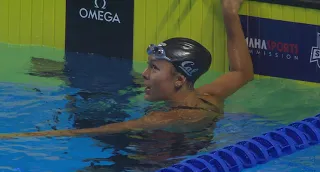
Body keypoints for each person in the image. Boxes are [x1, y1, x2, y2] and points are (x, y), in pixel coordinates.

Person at [0, 0, 253, 139]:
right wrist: (230, 12)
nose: (144, 74)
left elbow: (87, 132)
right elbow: (242, 72)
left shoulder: (168, 118)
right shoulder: (208, 96)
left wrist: (13, 137)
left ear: (178, 79)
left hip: (153, 166)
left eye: (153, 68)